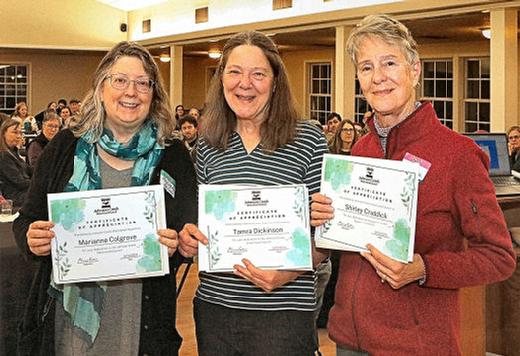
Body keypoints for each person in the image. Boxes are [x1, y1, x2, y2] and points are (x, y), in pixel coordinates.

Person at [310, 14, 516, 356]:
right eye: (366, 67)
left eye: (389, 62)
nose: (378, 78)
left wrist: (423, 268)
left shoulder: (458, 154)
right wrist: (326, 221)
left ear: (414, 70)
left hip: (415, 344)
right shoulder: (360, 149)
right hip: (348, 339)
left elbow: (498, 257)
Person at [12, 41, 197, 356]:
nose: (131, 91)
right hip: (67, 321)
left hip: (142, 317)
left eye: (142, 83)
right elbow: (27, 219)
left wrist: (181, 243)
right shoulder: (64, 147)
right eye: (120, 80)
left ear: (154, 94)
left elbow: (185, 230)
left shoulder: (174, 154)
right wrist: (32, 237)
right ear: (100, 89)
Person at [178, 31, 328, 356]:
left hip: (284, 313)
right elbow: (201, 226)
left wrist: (286, 274)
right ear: (221, 80)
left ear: (275, 81)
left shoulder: (309, 140)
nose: (245, 83)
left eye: (258, 74)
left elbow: (326, 239)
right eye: (234, 72)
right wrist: (191, 238)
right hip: (216, 310)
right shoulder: (207, 145)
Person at [0, 119, 32, 208]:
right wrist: (40, 183)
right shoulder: (3, 155)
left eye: (20, 133)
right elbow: (19, 182)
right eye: (15, 132)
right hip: (14, 198)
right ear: (3, 134)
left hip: (23, 192)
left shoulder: (14, 152)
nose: (19, 136)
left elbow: (30, 170)